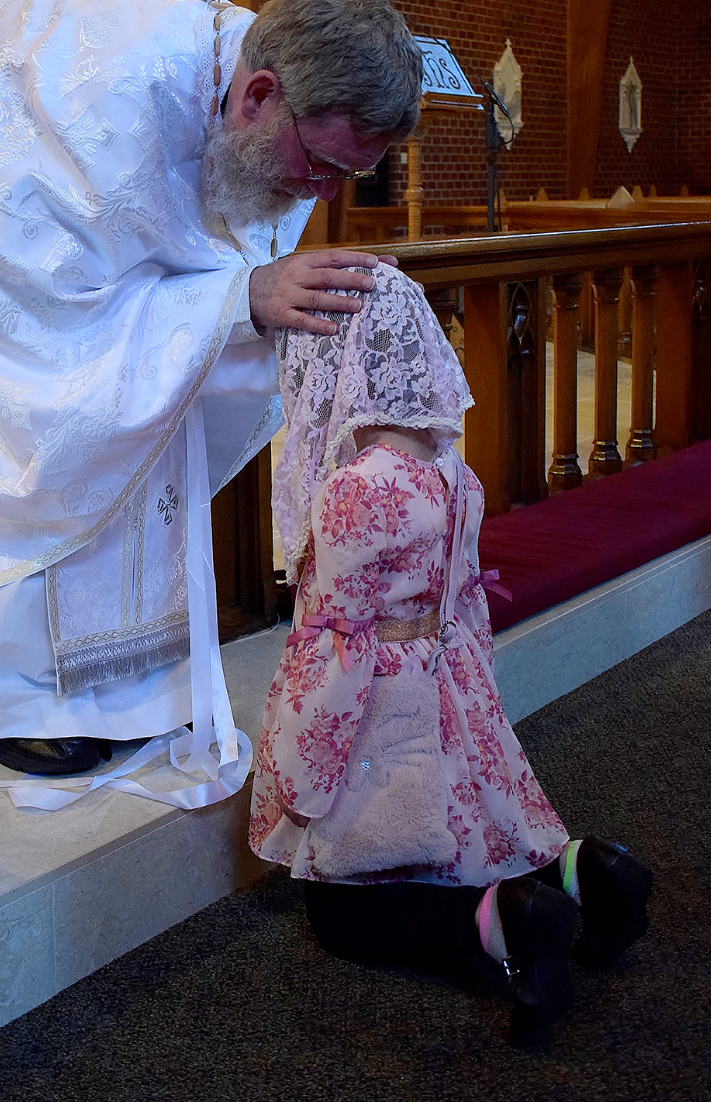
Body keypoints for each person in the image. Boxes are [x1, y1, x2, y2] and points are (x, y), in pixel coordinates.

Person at [0, 0, 422, 788]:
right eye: (318, 164)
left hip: (31, 174)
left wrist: (244, 302)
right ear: (259, 95)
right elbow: (23, 314)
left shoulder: (275, 95)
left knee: (154, 385)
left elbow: (202, 255)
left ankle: (106, 682)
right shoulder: (88, 100)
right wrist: (237, 298)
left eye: (346, 177)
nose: (321, 192)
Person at [248, 265, 654, 1042]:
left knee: (347, 908)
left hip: (373, 699)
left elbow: (333, 638)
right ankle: (586, 870)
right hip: (445, 671)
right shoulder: (451, 473)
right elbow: (463, 598)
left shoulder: (355, 488)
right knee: (465, 831)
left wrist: (297, 758)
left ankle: (499, 922)